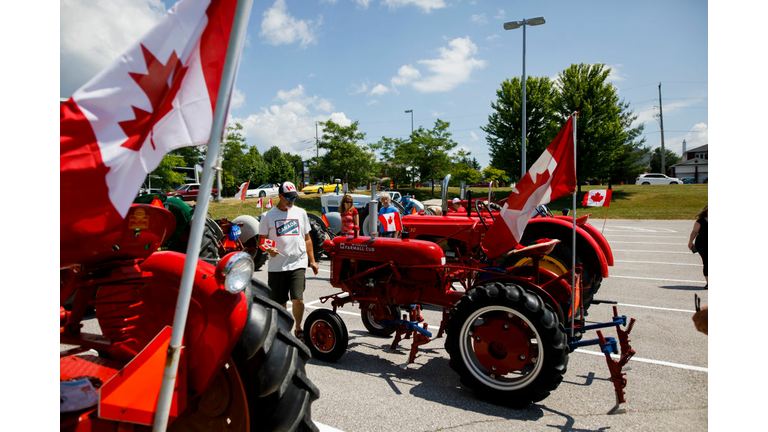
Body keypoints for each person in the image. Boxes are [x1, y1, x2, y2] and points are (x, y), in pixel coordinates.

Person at [257, 181, 320, 342]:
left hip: (298, 262)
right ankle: (283, 330)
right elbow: (261, 241)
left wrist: (312, 261)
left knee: (297, 298)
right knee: (280, 302)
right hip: (277, 266)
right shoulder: (267, 217)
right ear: (279, 196)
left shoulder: (301, 213)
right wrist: (268, 249)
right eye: (288, 198)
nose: (291, 201)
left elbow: (307, 239)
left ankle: (299, 327)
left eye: (294, 198)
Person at [687, 205, 708, 288]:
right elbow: (694, 232)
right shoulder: (700, 221)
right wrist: (690, 242)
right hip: (703, 244)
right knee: (707, 262)